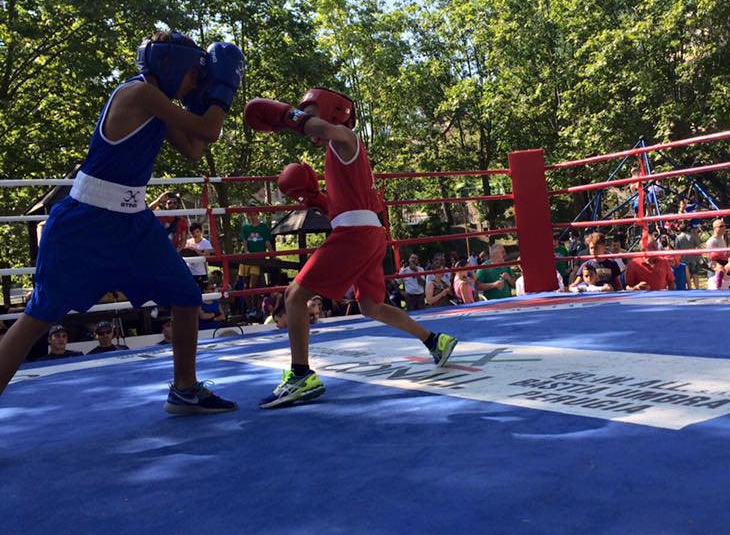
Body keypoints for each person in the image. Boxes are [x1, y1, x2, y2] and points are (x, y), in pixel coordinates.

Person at [0, 30, 245, 412]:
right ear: (173, 65)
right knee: (38, 316)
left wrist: (198, 99)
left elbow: (196, 149)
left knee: (185, 294)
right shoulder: (140, 94)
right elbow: (210, 130)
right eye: (194, 75)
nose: (196, 82)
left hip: (133, 224)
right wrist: (221, 90)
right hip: (87, 222)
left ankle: (184, 387)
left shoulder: (160, 104)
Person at [244, 88, 459, 408]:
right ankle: (433, 340)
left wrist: (288, 116)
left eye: (312, 111)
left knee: (294, 295)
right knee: (371, 306)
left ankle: (301, 375)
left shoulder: (344, 136)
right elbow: (343, 206)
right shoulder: (338, 154)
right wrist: (314, 199)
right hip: (368, 232)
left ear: (331, 111)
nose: (308, 120)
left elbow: (322, 129)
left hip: (356, 233)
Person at [238, 211, 273, 293]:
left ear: (258, 215)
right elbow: (244, 241)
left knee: (253, 285)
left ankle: (255, 304)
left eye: (254, 214)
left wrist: (272, 254)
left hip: (258, 258)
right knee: (245, 285)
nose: (252, 217)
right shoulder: (245, 227)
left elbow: (267, 242)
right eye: (249, 215)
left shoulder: (263, 227)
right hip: (247, 259)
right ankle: (249, 305)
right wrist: (247, 252)